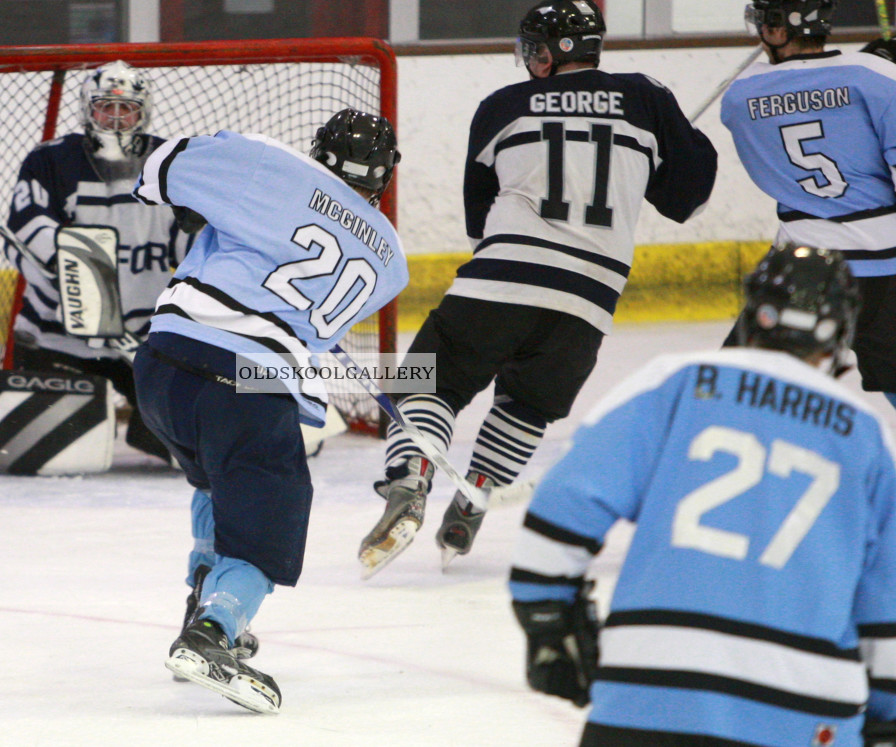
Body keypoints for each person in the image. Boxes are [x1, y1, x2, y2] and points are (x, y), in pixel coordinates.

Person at [358, 0, 718, 578]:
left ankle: (412, 478)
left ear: (550, 54)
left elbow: (480, 219)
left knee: (429, 381)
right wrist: (676, 148)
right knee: (526, 405)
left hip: (499, 282)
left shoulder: (501, 106)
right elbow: (689, 198)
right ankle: (473, 497)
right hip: (588, 303)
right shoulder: (648, 98)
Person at [509, 244, 896, 746]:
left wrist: (548, 622)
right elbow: (887, 606)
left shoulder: (674, 381)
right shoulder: (869, 437)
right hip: (804, 716)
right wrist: (887, 716)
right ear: (842, 331)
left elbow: (563, 508)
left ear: (753, 314)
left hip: (647, 695)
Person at [130, 109, 407, 713]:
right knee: (270, 514)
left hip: (161, 365)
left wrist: (197, 206)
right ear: (383, 180)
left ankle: (201, 599)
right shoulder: (392, 259)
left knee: (214, 478)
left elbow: (158, 168)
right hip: (250, 381)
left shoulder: (264, 162)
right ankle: (213, 633)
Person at [4, 60, 196, 464]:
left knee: (185, 446)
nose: (115, 118)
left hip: (143, 344)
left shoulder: (170, 163)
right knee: (62, 449)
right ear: (87, 110)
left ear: (143, 112)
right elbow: (24, 232)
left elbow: (193, 246)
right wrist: (75, 282)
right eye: (104, 107)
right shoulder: (50, 161)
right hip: (57, 339)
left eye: (126, 109)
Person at [720, 0, 896, 414]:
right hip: (889, 266)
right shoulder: (875, 77)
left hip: (804, 267)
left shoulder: (740, 96)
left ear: (779, 31)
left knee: (740, 390)